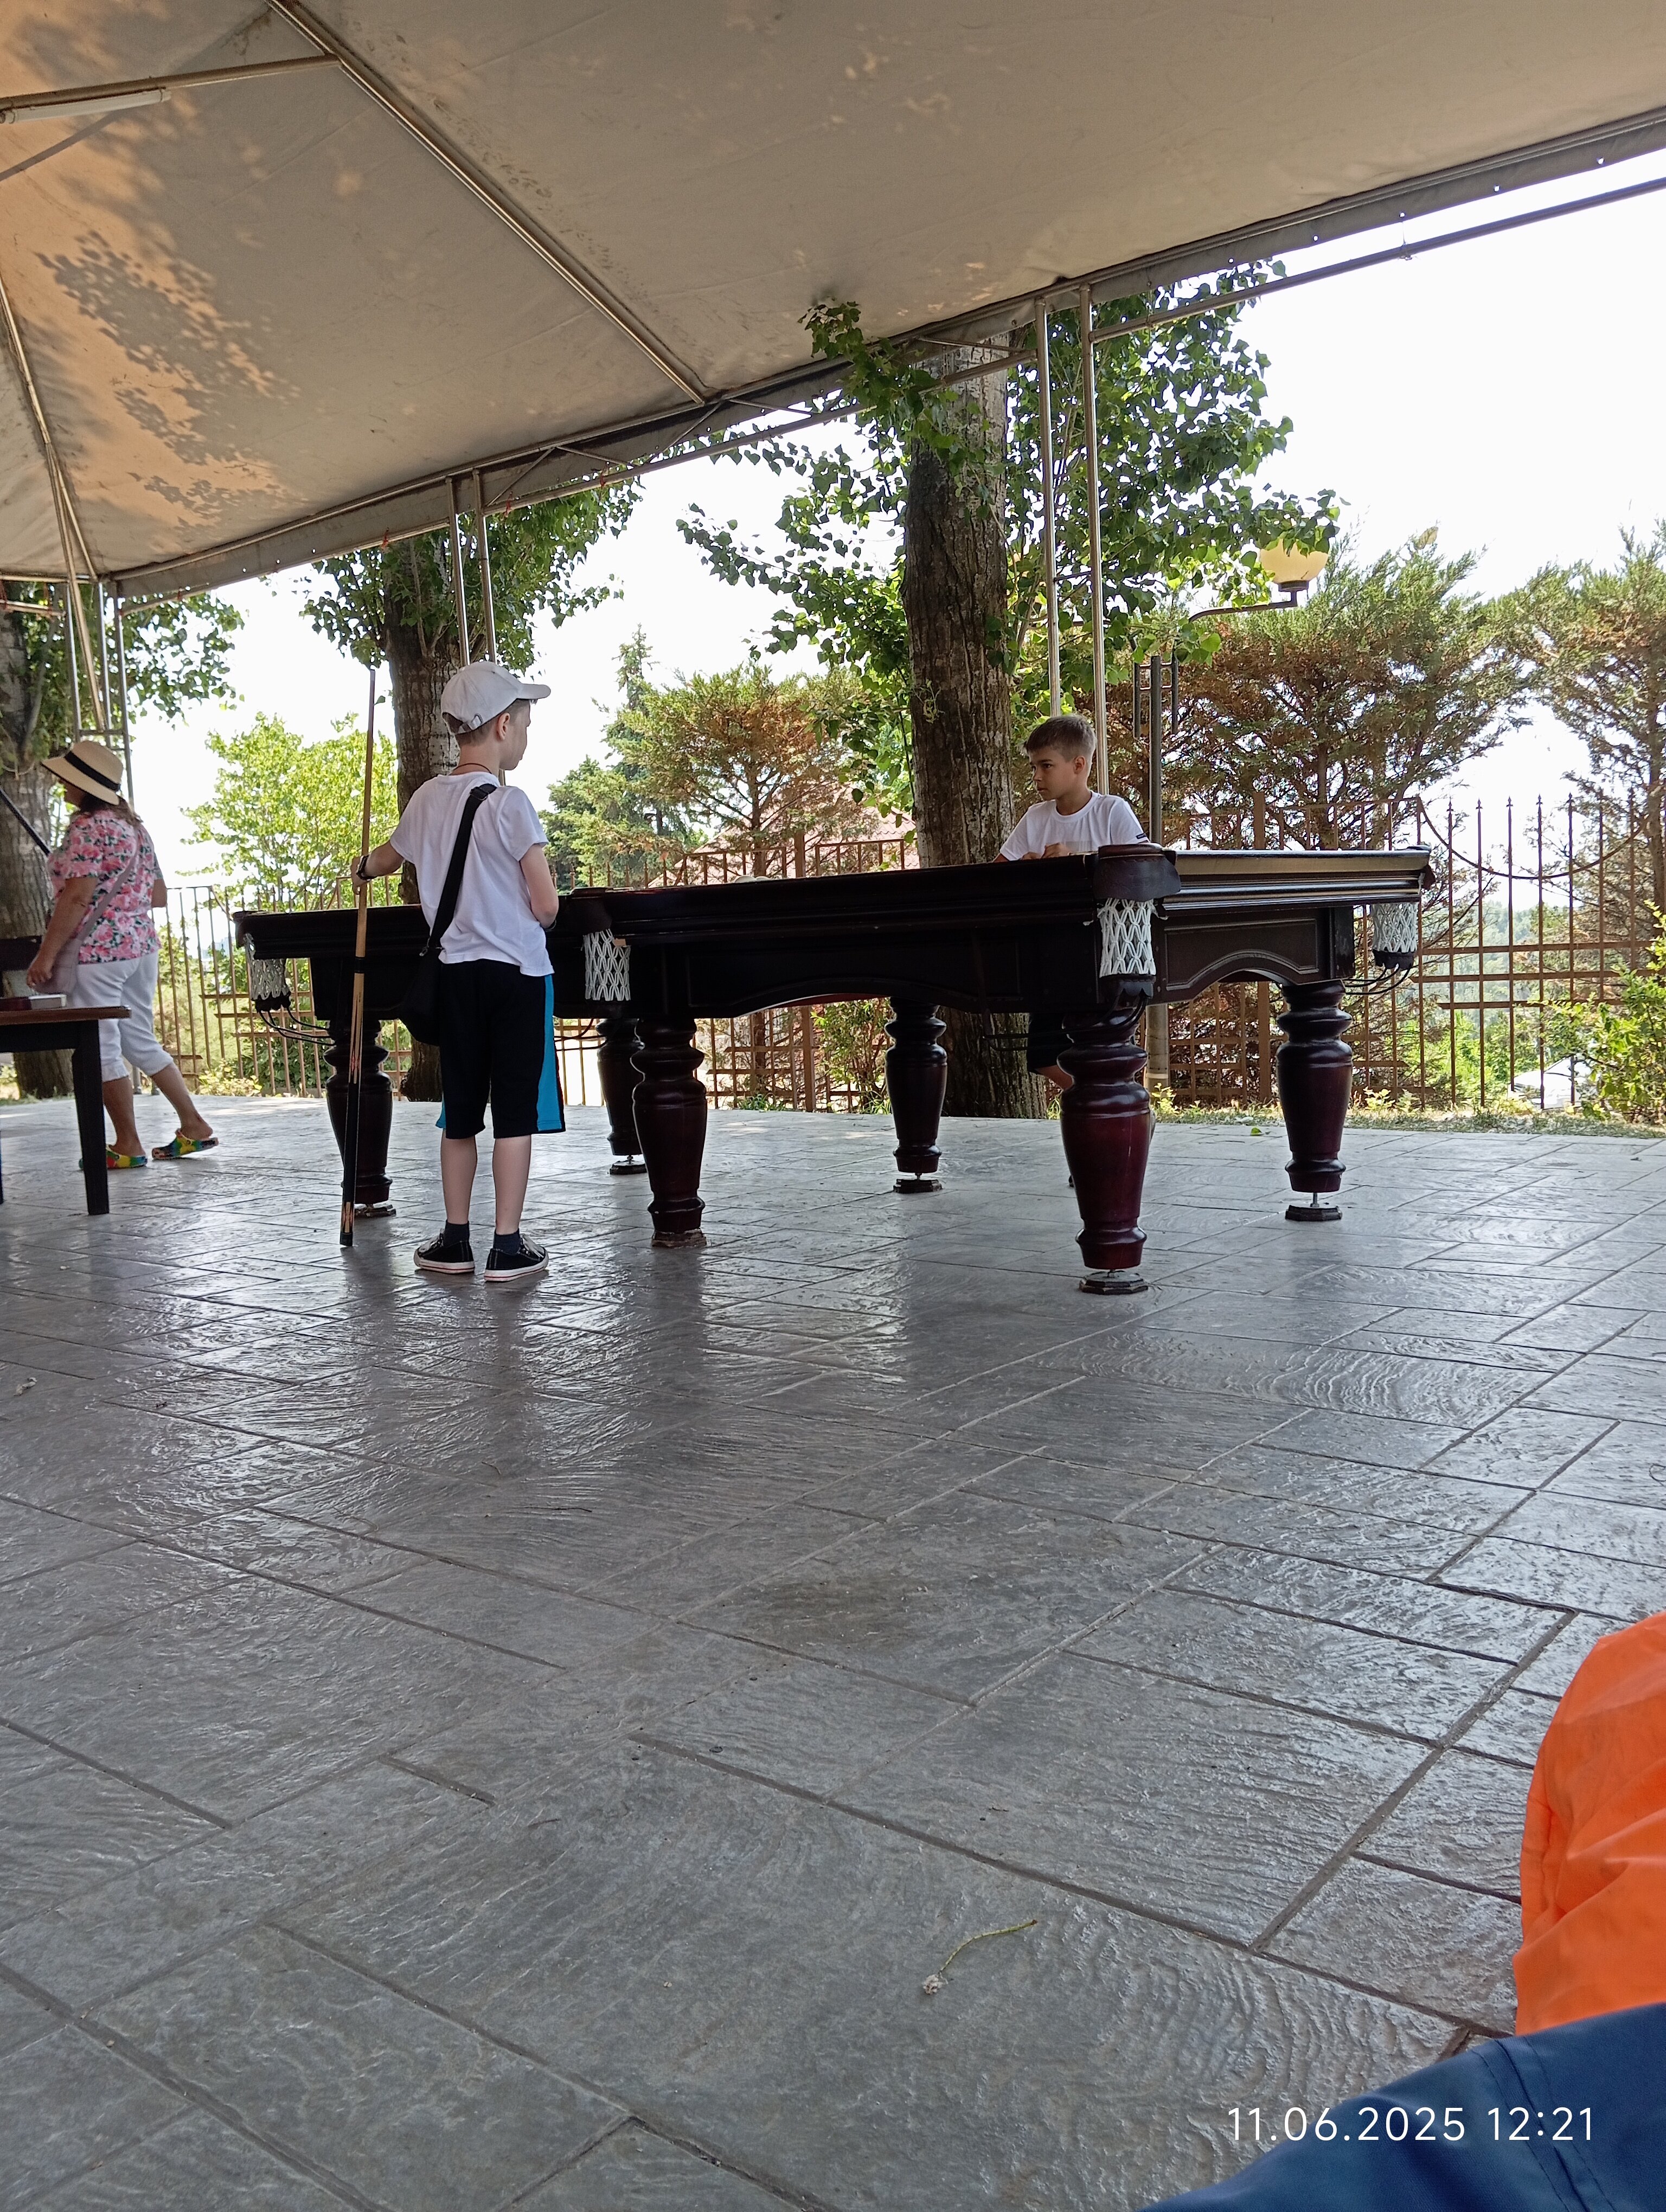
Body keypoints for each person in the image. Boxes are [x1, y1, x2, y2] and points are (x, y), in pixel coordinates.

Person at [355, 661, 562, 1284]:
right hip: (517, 976)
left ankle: (454, 1241)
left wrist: (362, 869)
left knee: (462, 1111)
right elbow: (546, 905)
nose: (524, 738)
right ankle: (507, 1246)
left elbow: (385, 860)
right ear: (501, 727)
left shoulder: (425, 800)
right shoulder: (510, 804)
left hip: (456, 978)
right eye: (524, 725)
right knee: (515, 1113)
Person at [25, 737, 216, 1167]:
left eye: (68, 779)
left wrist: (46, 955)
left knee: (100, 1046)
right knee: (139, 1039)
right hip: (141, 948)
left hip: (98, 955)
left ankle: (127, 1144)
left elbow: (77, 898)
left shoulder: (87, 828)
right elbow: (158, 895)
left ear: (85, 786)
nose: (62, 785)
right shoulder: (135, 828)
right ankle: (194, 1125)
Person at [998, 713, 1144, 1088]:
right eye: (1033, 767)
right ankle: (1100, 1098)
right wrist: (1025, 871)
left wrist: (1077, 862)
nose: (1037, 776)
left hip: (1105, 956)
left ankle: (1110, 1101)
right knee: (1043, 1056)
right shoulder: (1035, 818)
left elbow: (1142, 870)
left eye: (1046, 766)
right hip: (1048, 956)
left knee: (1102, 1048)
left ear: (1079, 765)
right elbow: (997, 874)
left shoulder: (1112, 811)